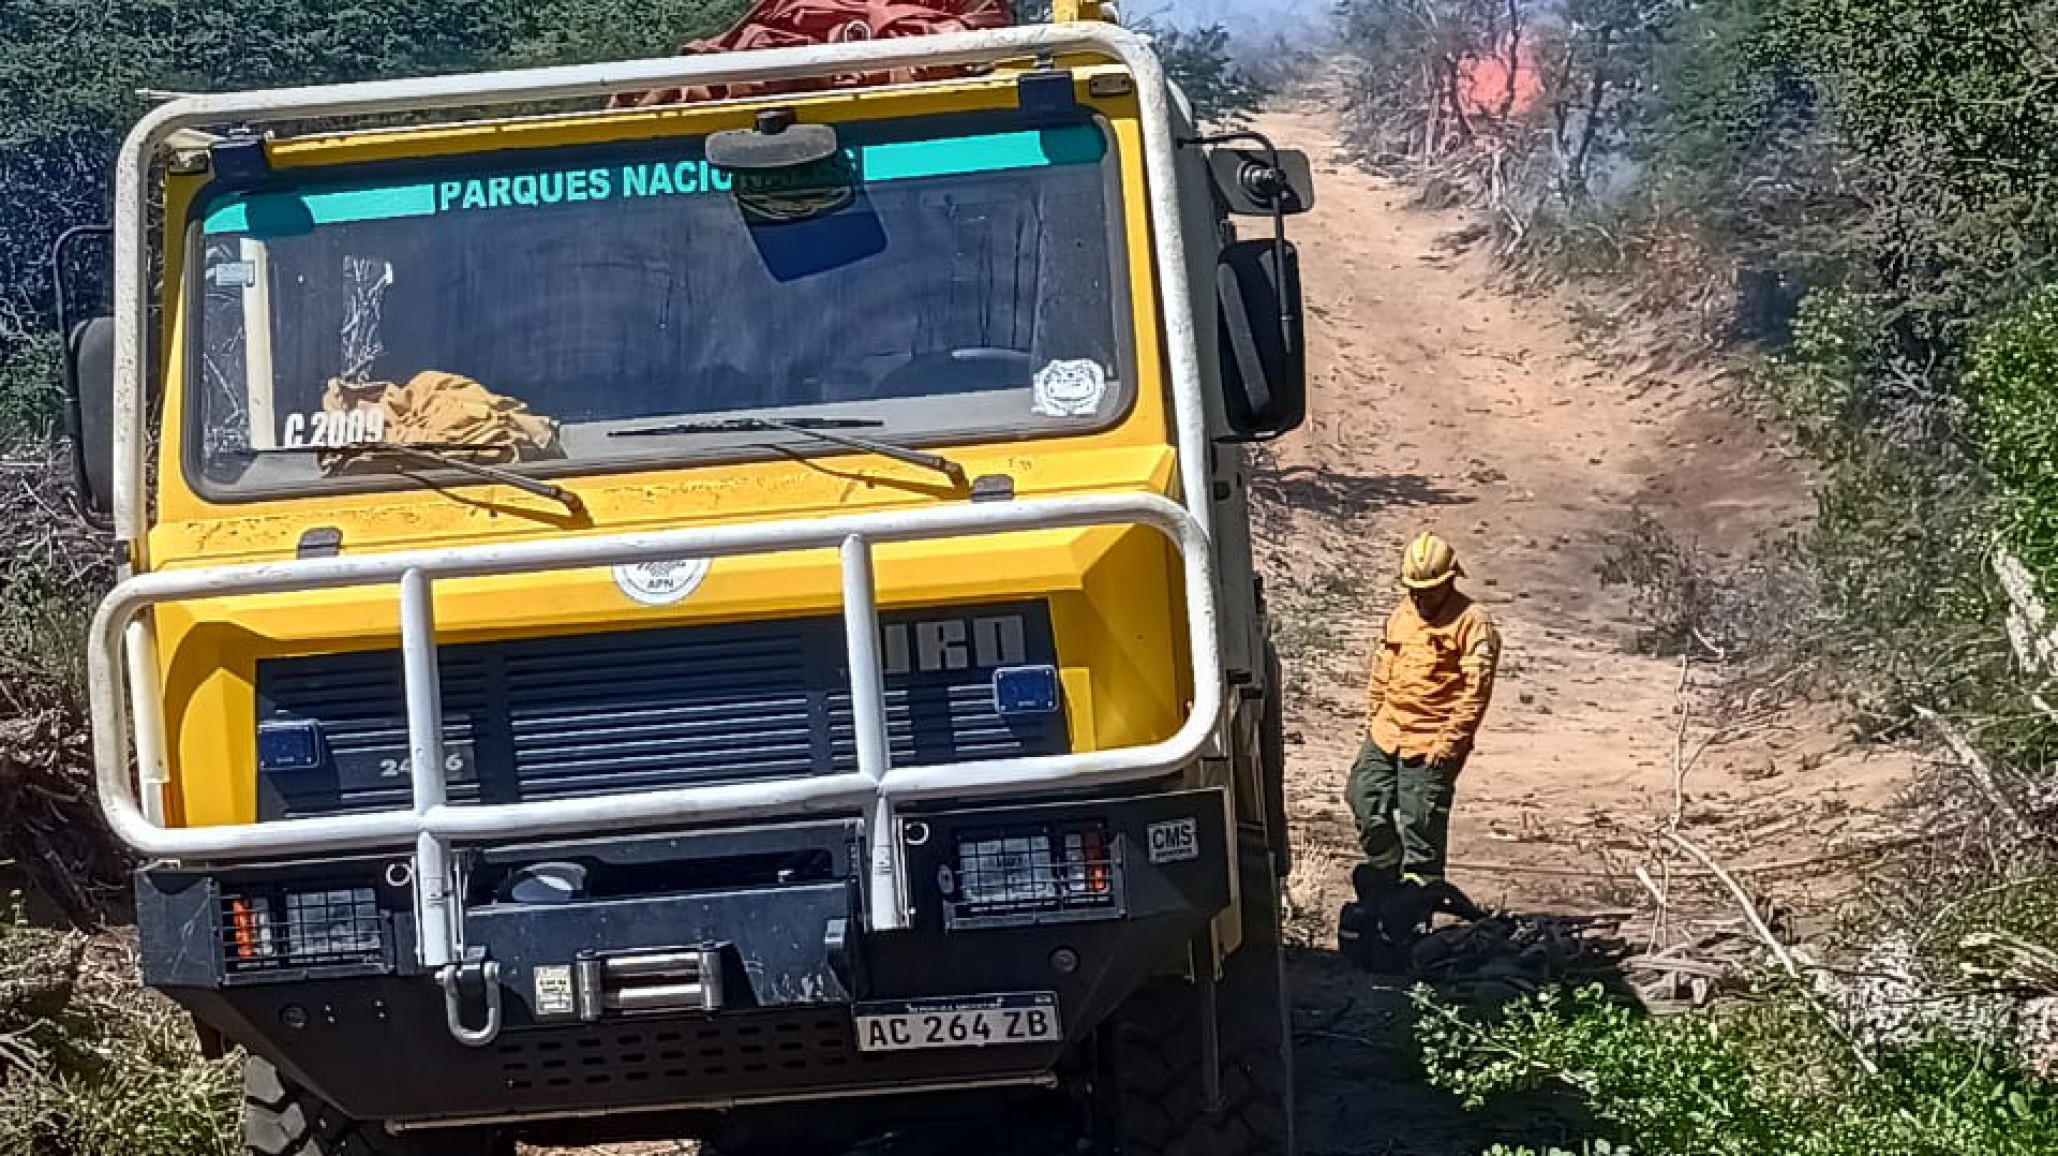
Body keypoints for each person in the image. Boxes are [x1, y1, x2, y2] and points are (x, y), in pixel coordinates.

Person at [1345, 532, 1500, 886]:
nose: (1420, 597)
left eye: (1428, 589)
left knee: (1421, 826)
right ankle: (1388, 877)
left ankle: (1418, 901)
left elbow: (1476, 692)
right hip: (1387, 732)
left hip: (1432, 740)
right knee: (1363, 798)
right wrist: (1373, 720)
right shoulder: (1402, 614)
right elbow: (1382, 669)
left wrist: (1448, 746)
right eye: (1413, 589)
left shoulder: (1473, 622)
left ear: (1449, 581)